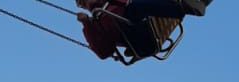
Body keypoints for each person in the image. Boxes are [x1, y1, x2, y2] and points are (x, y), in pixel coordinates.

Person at [76, 0, 210, 60]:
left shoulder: (116, 3)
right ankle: (182, 7)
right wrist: (86, 23)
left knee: (134, 7)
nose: (84, 3)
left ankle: (196, 2)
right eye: (82, 3)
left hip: (149, 25)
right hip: (140, 40)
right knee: (133, 9)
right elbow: (104, 52)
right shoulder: (97, 22)